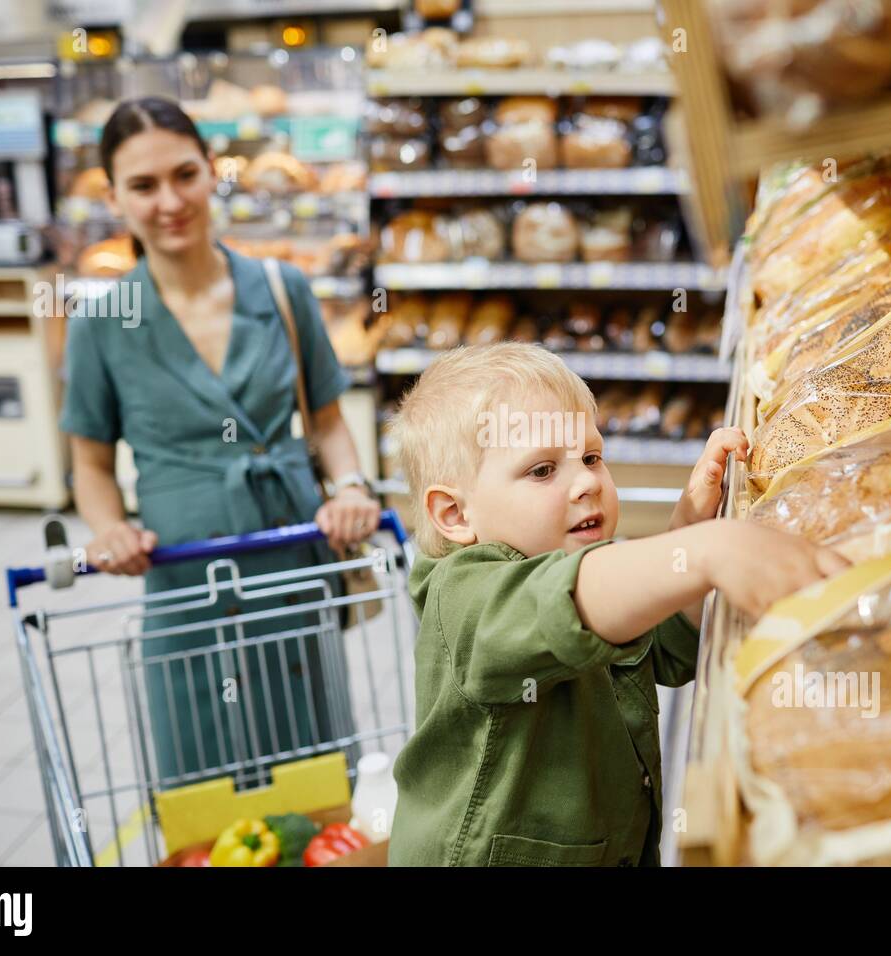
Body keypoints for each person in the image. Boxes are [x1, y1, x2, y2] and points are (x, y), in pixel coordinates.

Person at [385, 342, 848, 865]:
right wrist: (701, 553)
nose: (586, 482)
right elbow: (557, 601)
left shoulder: (601, 583)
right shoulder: (464, 597)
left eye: (590, 457)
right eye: (542, 471)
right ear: (454, 515)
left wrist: (691, 525)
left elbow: (664, 650)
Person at [59, 96, 379, 788]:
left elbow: (325, 420)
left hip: (292, 562)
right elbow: (88, 463)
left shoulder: (282, 289)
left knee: (318, 782)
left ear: (211, 171)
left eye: (184, 175)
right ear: (114, 198)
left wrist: (352, 486)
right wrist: (110, 529)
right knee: (206, 791)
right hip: (186, 581)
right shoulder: (103, 322)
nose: (169, 201)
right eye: (143, 186)